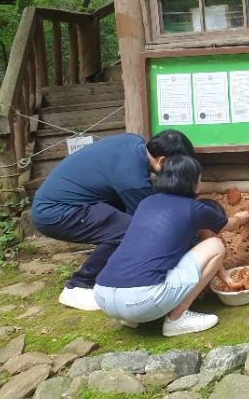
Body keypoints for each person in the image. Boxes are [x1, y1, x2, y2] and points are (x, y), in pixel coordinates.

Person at [31, 130, 195, 311]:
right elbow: (149, 222)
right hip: (55, 212)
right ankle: (78, 286)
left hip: (67, 202)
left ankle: (112, 271)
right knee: (128, 231)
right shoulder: (133, 180)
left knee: (125, 224)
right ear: (162, 161)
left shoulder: (133, 141)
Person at [93, 155, 249, 335]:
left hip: (103, 296)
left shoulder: (146, 203)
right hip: (141, 301)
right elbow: (230, 225)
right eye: (199, 178)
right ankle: (177, 318)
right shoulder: (194, 209)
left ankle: (131, 319)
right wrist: (241, 217)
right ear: (194, 183)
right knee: (215, 245)